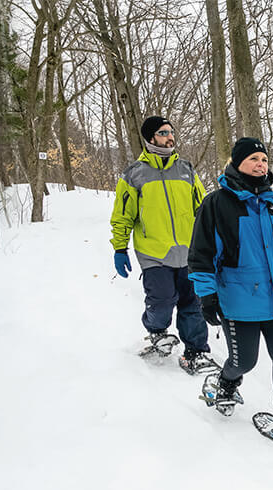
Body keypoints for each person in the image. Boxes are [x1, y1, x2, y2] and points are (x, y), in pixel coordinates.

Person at [188, 137, 273, 435]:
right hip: (239, 301)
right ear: (237, 163)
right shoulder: (217, 204)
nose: (260, 165)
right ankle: (227, 381)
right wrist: (207, 296)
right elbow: (201, 255)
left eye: (264, 160)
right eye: (254, 159)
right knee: (245, 361)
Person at [110, 115, 217, 374]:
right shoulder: (134, 174)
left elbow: (203, 209)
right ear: (150, 138)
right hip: (153, 252)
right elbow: (123, 214)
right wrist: (120, 248)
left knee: (192, 304)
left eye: (171, 131)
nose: (170, 136)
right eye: (162, 132)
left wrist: (212, 242)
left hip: (189, 252)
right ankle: (157, 332)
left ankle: (196, 351)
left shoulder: (186, 169)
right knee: (161, 301)